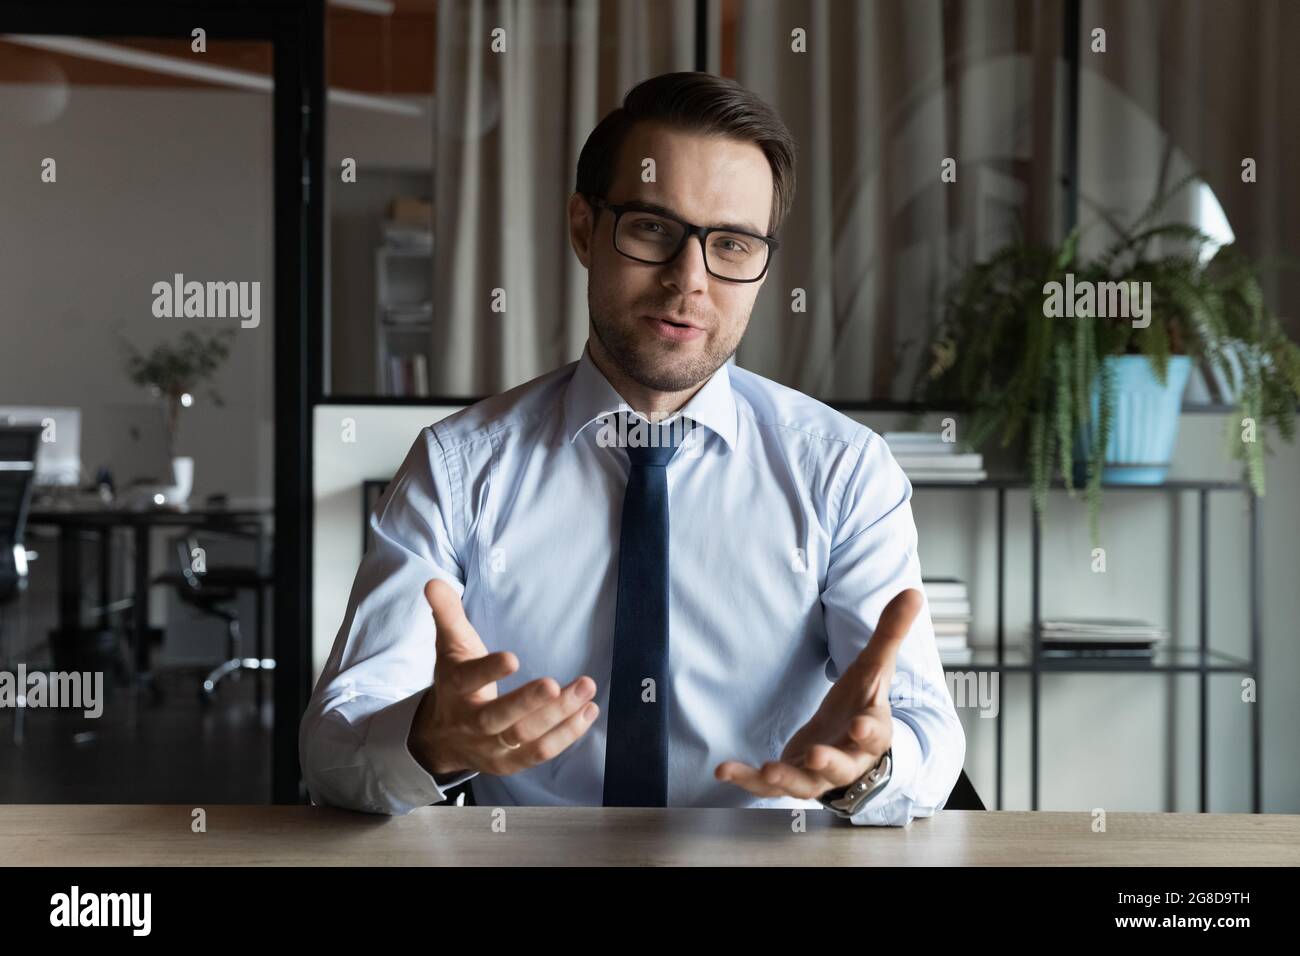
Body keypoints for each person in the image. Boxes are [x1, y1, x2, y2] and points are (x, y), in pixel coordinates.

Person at [300, 71, 965, 826]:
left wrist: (868, 770)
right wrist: (431, 741)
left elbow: (928, 740)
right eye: (652, 228)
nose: (691, 280)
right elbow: (332, 746)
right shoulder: (458, 469)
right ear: (585, 227)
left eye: (733, 244)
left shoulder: (842, 472)